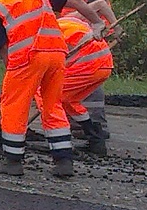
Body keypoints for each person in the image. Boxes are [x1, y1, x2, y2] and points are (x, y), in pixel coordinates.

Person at [0, 0, 104, 178]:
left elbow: (3, 48)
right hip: (57, 54)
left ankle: (13, 161)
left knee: (14, 106)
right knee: (53, 105)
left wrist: (12, 75)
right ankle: (63, 161)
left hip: (27, 58)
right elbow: (77, 1)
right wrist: (97, 23)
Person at [49, 0, 119, 149]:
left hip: (90, 32)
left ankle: (96, 124)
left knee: (89, 74)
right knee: (74, 76)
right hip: (73, 31)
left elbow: (99, 3)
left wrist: (104, 27)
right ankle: (79, 123)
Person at [48, 12, 114, 157]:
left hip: (89, 65)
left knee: (48, 96)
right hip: (104, 65)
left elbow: (54, 63)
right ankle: (95, 140)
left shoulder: (46, 33)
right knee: (69, 100)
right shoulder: (64, 22)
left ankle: (61, 143)